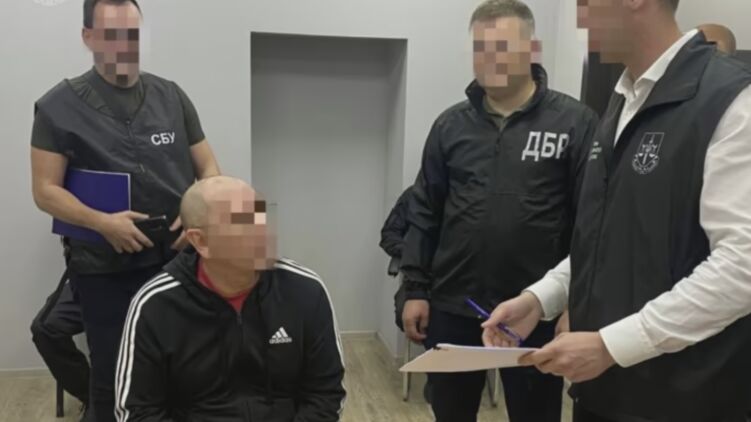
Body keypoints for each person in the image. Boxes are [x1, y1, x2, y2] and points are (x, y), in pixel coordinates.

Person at [482, 0, 751, 421]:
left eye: (585, 3)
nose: (578, 16)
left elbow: (741, 266)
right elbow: (606, 237)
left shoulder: (731, 102)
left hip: (683, 403)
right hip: (602, 392)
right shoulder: (624, 101)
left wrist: (612, 345)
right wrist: (542, 298)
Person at [399, 0, 598, 420]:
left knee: (535, 415)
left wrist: (574, 303)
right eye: (481, 48)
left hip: (535, 310)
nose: (490, 59)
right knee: (450, 413)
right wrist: (414, 289)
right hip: (455, 304)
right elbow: (425, 211)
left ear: (532, 49)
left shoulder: (575, 123)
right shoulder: (450, 126)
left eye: (503, 46)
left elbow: (591, 223)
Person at [30, 0, 220, 420]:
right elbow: (44, 191)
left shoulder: (171, 97)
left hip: (177, 260)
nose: (125, 45)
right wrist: (102, 223)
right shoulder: (57, 108)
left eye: (132, 34)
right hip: (105, 269)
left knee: (185, 367)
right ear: (89, 38)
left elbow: (209, 169)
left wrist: (197, 209)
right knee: (114, 377)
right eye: (112, 35)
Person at [114, 176, 346, 421]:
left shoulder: (304, 290)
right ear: (200, 241)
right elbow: (138, 412)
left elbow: (326, 394)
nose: (264, 234)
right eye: (244, 223)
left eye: (262, 218)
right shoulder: (155, 305)